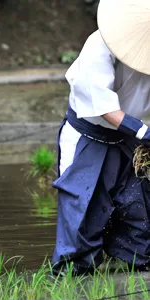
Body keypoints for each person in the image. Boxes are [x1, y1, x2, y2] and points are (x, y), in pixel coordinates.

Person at [51, 0, 150, 276]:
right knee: (82, 211)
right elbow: (105, 107)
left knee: (136, 211)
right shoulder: (100, 44)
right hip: (89, 135)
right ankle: (76, 275)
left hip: (130, 141)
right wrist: (144, 132)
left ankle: (133, 266)